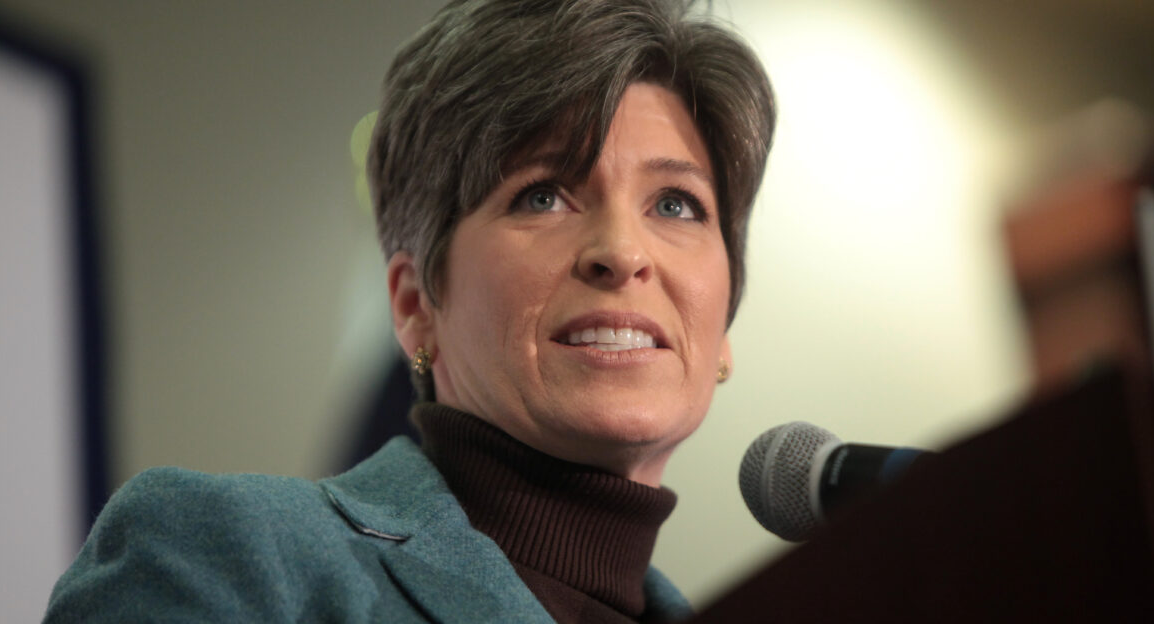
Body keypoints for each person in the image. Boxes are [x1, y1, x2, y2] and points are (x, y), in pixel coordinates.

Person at [44, 0, 775, 621]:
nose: (621, 250)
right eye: (542, 194)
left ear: (724, 333)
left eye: (677, 204)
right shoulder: (225, 554)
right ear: (415, 306)